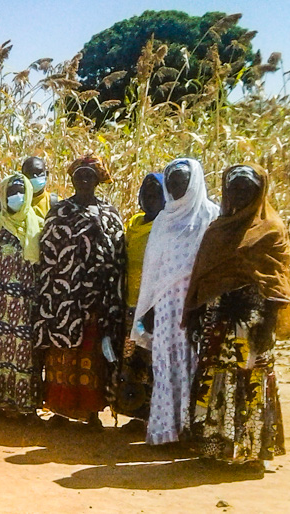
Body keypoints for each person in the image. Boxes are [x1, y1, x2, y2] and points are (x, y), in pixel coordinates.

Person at [184, 164, 290, 467]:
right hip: (217, 318)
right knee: (215, 378)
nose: (239, 193)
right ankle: (213, 447)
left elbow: (277, 284)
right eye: (234, 188)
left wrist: (269, 324)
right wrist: (195, 313)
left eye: (246, 188)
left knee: (251, 381)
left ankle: (252, 451)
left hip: (254, 321)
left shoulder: (272, 229)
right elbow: (203, 277)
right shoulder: (218, 228)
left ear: (259, 191)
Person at [34, 155, 126, 428]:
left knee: (92, 353)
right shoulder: (60, 211)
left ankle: (90, 411)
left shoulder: (110, 213)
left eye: (89, 176)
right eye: (79, 176)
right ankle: (60, 409)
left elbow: (117, 256)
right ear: (72, 179)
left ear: (98, 180)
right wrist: (53, 293)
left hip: (98, 298)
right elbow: (47, 255)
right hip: (63, 297)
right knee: (62, 351)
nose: (84, 181)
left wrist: (107, 294)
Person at [131, 158, 218, 445]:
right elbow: (153, 271)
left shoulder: (211, 217)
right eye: (171, 182)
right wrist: (149, 309)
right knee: (166, 366)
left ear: (193, 182)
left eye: (181, 181)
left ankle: (193, 433)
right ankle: (166, 430)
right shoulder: (164, 220)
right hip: (167, 310)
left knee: (195, 366)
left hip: (198, 307)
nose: (175, 186)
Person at [0, 174, 45, 418]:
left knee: (23, 353)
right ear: (3, 195)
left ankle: (24, 405)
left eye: (21, 191)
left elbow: (42, 269)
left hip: (25, 303)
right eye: (12, 191)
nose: (17, 196)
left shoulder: (38, 225)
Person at [109, 172, 166, 423]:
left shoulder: (168, 226)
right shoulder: (134, 225)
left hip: (156, 307)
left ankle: (154, 416)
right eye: (146, 194)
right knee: (132, 361)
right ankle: (136, 414)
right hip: (132, 304)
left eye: (156, 195)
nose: (150, 199)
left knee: (153, 360)